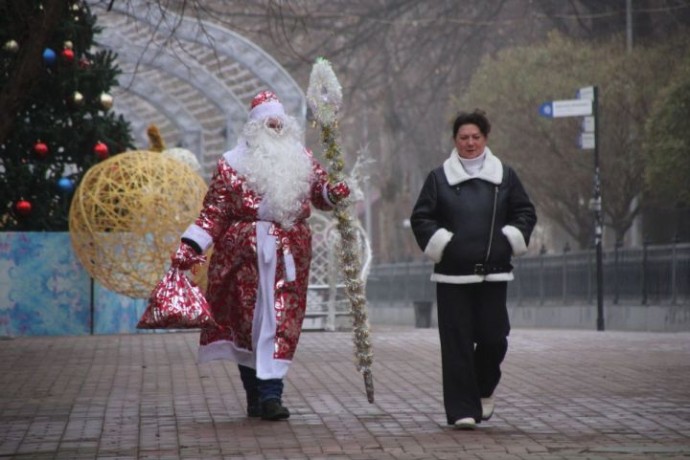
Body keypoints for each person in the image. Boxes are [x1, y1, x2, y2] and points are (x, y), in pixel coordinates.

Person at [171, 91, 350, 421]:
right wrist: (192, 245)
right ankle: (254, 394)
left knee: (280, 321)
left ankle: (271, 395)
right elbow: (214, 212)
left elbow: (321, 193)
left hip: (289, 254)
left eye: (279, 123)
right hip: (243, 256)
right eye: (269, 123)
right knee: (246, 325)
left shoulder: (302, 158)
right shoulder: (231, 164)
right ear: (254, 127)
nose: (275, 128)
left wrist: (333, 192)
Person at [410, 109, 536, 430]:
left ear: (485, 138)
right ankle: (462, 409)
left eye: (475, 137)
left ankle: (482, 388)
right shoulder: (439, 179)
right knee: (457, 344)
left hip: (494, 273)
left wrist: (509, 239)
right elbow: (421, 218)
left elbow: (524, 212)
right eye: (463, 138)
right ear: (455, 141)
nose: (469, 143)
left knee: (495, 338)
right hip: (452, 276)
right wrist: (442, 243)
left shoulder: (505, 176)